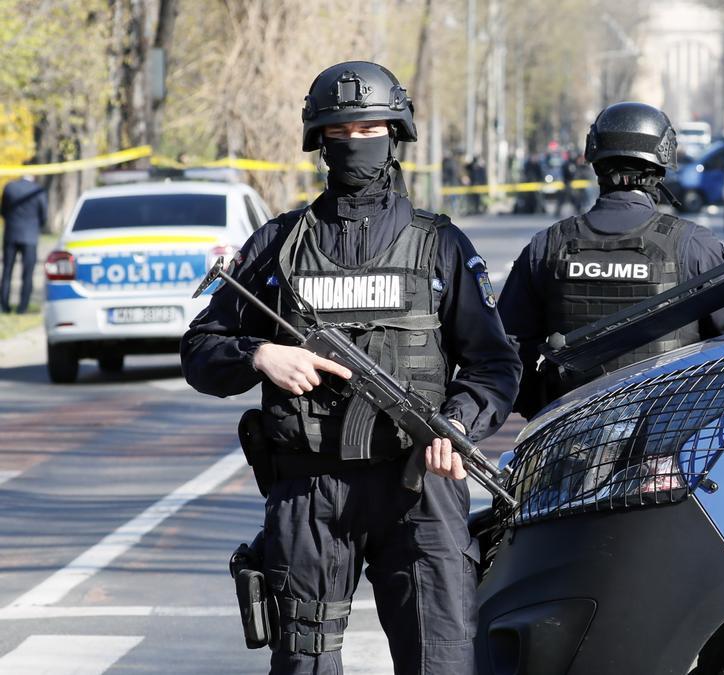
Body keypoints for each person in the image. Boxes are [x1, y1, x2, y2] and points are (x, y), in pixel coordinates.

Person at [180, 61, 520, 674]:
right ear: (320, 142)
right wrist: (261, 355)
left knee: (440, 660)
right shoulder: (279, 245)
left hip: (419, 486)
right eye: (341, 131)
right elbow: (201, 349)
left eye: (368, 128)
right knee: (305, 662)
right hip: (310, 492)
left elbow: (494, 365)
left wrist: (458, 425)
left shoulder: (440, 245)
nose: (355, 142)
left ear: (394, 136)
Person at [498, 102, 724, 420]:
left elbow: (506, 350)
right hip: (665, 445)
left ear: (594, 160)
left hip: (564, 436)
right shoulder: (693, 244)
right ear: (662, 164)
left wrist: (541, 407)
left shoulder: (548, 245)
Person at [1, 174, 48, 314]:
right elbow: (44, 215)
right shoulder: (37, 190)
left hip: (11, 234)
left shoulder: (9, 187)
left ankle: (3, 306)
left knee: (7, 272)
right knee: (27, 274)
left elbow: (3, 210)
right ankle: (22, 307)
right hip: (30, 236)